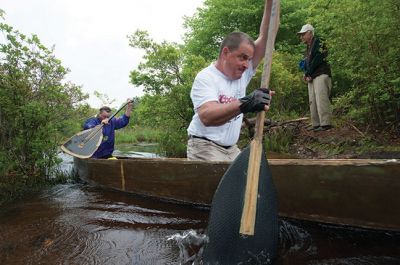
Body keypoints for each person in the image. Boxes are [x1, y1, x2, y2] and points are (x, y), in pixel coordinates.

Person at [187, 0, 273, 162]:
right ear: (226, 53)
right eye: (242, 57)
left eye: (249, 59)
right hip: (204, 146)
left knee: (248, 179)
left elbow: (266, 37)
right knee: (225, 185)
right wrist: (246, 103)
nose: (247, 65)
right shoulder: (206, 77)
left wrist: (270, 4)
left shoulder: (243, 72)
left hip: (231, 148)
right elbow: (207, 116)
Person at [297, 24, 333, 132]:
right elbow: (309, 63)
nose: (301, 37)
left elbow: (318, 59)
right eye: (301, 35)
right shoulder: (308, 47)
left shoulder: (319, 42)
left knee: (321, 98)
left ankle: (326, 123)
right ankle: (316, 124)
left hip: (321, 74)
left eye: (303, 34)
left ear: (310, 33)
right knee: (312, 100)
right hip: (313, 76)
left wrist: (308, 73)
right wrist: (307, 73)